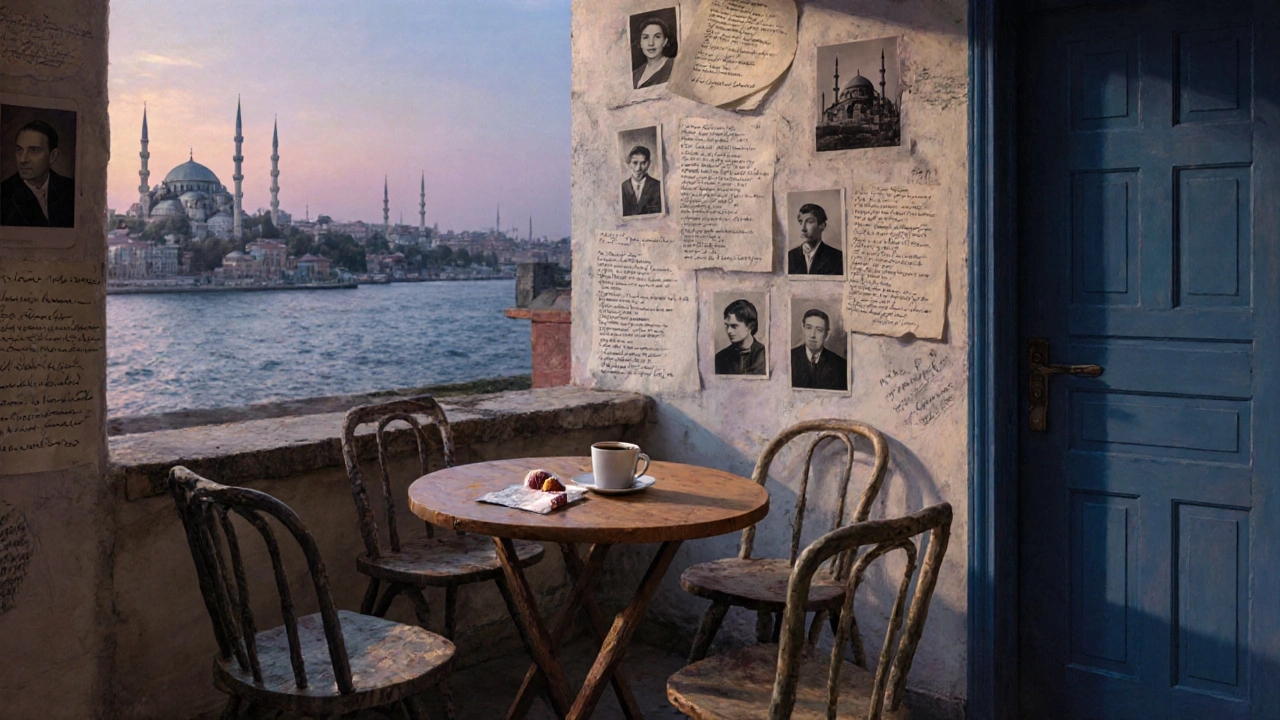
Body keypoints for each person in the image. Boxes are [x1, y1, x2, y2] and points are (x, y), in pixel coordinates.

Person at [1, 119, 75, 228]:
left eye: (33, 150)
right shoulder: (4, 194)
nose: (23, 160)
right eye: (19, 150)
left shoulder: (72, 189)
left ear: (53, 156)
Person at [791, 309, 847, 390]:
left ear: (826, 335)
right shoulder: (789, 358)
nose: (812, 335)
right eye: (809, 328)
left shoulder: (840, 366)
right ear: (803, 329)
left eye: (819, 330)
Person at [787, 203, 842, 275]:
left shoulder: (837, 257)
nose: (803, 229)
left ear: (822, 226)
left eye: (809, 222)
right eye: (800, 222)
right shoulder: (790, 256)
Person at [715, 298, 767, 375]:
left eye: (734, 326)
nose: (729, 331)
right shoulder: (720, 358)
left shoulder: (764, 355)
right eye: (727, 326)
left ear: (750, 327)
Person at [632, 16, 674, 89]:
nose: (651, 43)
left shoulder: (675, 67)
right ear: (640, 43)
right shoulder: (634, 75)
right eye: (645, 37)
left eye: (657, 37)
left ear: (665, 41)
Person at [621, 144, 662, 216]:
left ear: (649, 163)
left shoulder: (658, 186)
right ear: (629, 164)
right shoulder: (622, 187)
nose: (638, 168)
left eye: (643, 163)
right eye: (635, 163)